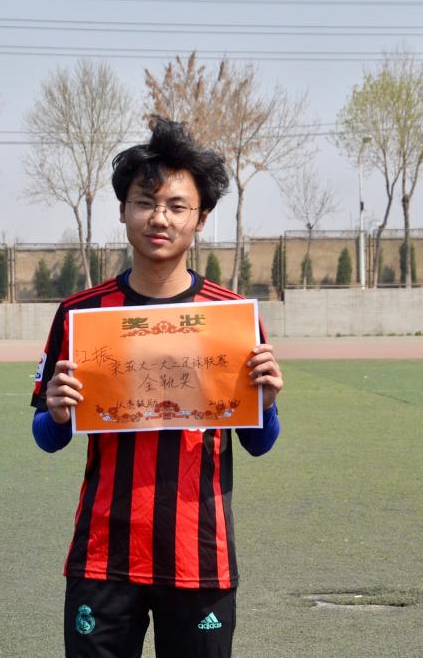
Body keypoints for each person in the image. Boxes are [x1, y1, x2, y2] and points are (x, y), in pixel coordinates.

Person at [30, 117, 283, 658]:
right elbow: (46, 437)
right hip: (104, 555)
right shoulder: (81, 314)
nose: (159, 218)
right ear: (124, 211)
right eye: (145, 203)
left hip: (199, 557)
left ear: (201, 218)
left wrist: (265, 405)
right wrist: (56, 413)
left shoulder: (231, 318)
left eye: (176, 206)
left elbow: (259, 443)